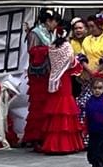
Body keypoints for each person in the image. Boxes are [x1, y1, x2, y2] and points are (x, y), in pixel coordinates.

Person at [39, 33, 85, 155]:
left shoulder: (52, 47)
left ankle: (53, 144)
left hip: (54, 77)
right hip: (64, 78)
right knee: (65, 109)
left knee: (56, 110)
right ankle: (67, 144)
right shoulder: (66, 46)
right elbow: (71, 62)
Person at [24, 9, 59, 146]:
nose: (55, 25)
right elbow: (32, 51)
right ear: (48, 21)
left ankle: (45, 133)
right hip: (38, 73)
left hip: (48, 72)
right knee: (38, 104)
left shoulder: (49, 33)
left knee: (47, 103)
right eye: (54, 21)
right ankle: (36, 135)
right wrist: (49, 49)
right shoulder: (35, 33)